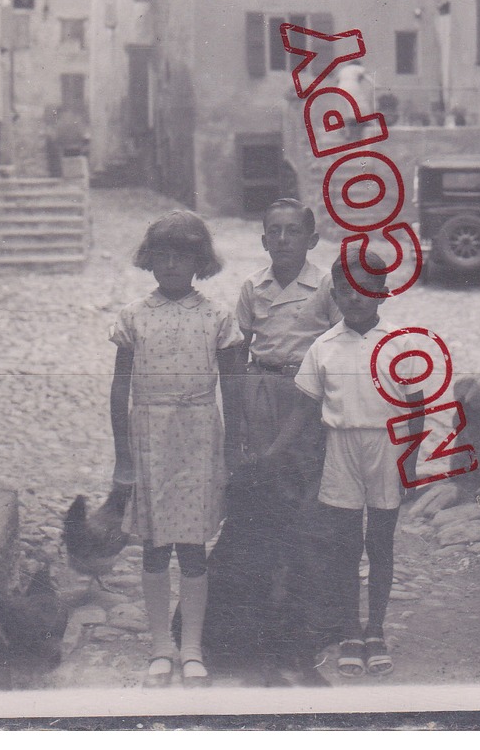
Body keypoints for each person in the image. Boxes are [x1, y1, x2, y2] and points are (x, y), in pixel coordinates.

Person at [109, 210, 243, 687]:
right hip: (149, 436)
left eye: (181, 255)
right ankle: (160, 647)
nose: (170, 264)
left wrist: (234, 452)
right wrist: (123, 456)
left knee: (192, 546)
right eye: (161, 255)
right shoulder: (134, 317)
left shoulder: (216, 317)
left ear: (198, 261)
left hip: (198, 436)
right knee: (153, 546)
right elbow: (119, 388)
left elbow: (234, 389)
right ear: (150, 259)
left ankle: (190, 647)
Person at [209, 198, 340, 678]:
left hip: (307, 391)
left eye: (292, 231)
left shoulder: (325, 285)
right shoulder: (254, 287)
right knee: (261, 488)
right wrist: (240, 420)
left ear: (311, 239)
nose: (283, 239)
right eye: (274, 231)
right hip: (263, 390)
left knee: (305, 498)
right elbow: (242, 353)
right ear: (264, 240)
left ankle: (305, 614)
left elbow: (337, 344)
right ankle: (261, 607)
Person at [266, 252, 413, 678]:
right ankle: (351, 630)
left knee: (380, 542)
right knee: (345, 546)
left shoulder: (401, 343)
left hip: (387, 445)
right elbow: (304, 408)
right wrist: (274, 451)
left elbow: (417, 407)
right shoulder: (324, 346)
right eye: (345, 289)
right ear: (334, 294)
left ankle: (376, 630)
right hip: (342, 448)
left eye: (366, 288)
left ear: (383, 293)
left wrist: (411, 462)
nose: (355, 297)